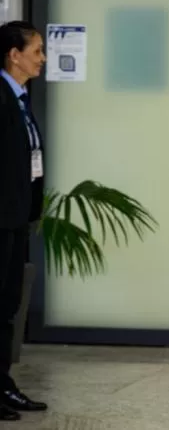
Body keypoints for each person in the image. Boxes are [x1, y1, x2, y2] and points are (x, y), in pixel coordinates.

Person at [0, 21, 49, 420]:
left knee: (7, 305)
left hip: (16, 217)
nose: (43, 59)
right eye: (36, 51)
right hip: (0, 218)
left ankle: (2, 383)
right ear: (14, 55)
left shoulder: (20, 98)